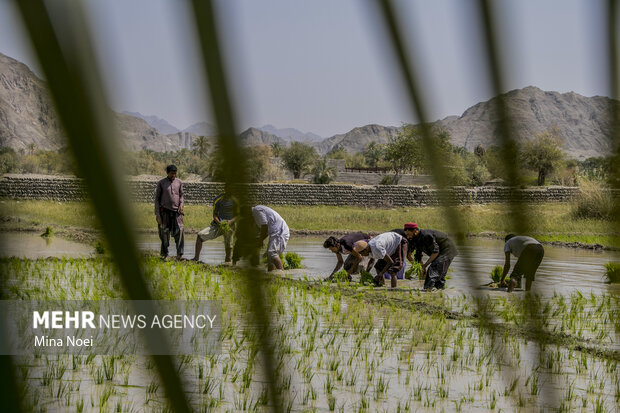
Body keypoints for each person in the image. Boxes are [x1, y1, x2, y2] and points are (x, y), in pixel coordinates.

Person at [193, 185, 239, 263]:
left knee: (229, 247)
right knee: (200, 235)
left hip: (230, 225)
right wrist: (219, 222)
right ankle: (196, 259)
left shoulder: (236, 200)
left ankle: (228, 263)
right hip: (217, 224)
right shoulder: (218, 199)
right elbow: (214, 214)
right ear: (225, 189)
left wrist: (230, 221)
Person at [405, 223, 457, 290]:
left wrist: (425, 265)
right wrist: (421, 268)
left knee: (432, 271)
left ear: (415, 231)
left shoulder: (426, 236)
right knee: (440, 275)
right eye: (407, 235)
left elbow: (435, 252)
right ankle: (440, 292)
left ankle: (427, 292)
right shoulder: (415, 239)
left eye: (409, 234)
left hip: (447, 250)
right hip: (439, 252)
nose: (408, 237)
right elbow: (418, 256)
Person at [154, 165, 184, 259]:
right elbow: (157, 200)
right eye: (172, 173)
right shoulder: (161, 183)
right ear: (167, 173)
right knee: (164, 234)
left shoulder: (179, 182)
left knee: (179, 232)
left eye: (175, 173)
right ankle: (164, 255)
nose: (173, 175)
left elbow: (181, 196)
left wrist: (181, 205)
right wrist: (158, 215)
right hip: (164, 213)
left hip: (176, 213)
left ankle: (179, 255)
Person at [252, 205, 290, 271]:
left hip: (279, 231)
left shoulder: (256, 210)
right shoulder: (255, 215)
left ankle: (282, 274)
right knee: (270, 258)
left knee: (272, 253)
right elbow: (265, 230)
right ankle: (271, 275)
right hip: (275, 232)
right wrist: (259, 240)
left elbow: (264, 226)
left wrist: (260, 240)